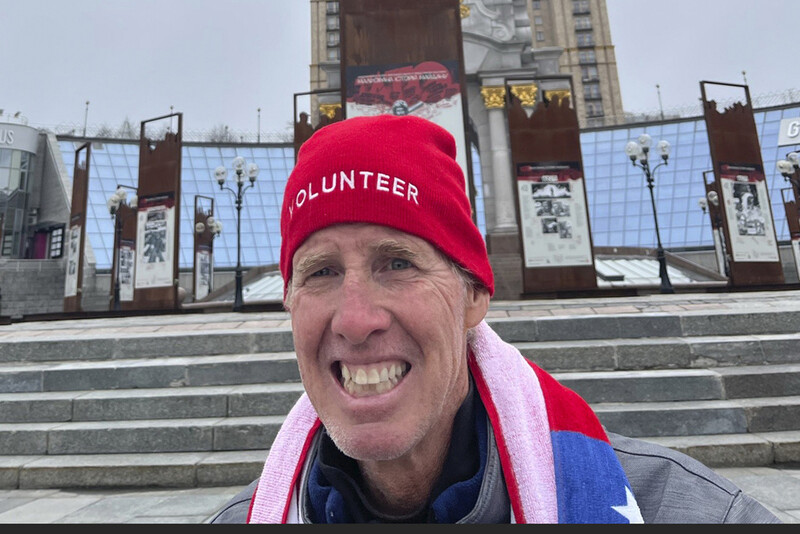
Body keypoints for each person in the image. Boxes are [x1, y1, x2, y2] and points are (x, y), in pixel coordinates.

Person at [211, 114, 780, 524]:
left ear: (475, 294)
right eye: (321, 272)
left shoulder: (682, 509)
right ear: (289, 300)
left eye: (398, 263)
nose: (356, 320)